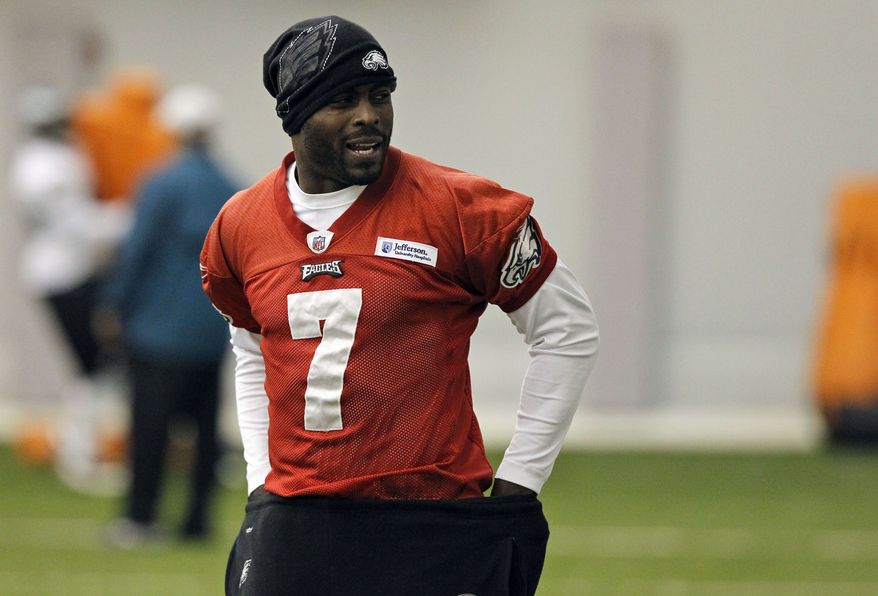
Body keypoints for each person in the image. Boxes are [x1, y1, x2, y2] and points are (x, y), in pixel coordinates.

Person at [201, 16, 599, 596]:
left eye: (379, 95)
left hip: (432, 519)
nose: (369, 115)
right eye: (342, 99)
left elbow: (567, 329)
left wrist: (521, 480)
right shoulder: (239, 224)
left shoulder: (460, 208)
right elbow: (252, 346)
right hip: (297, 520)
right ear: (295, 116)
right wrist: (262, 475)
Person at [98, 84, 240, 546]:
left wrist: (114, 303)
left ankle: (141, 518)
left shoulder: (160, 182)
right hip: (209, 329)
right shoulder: (230, 185)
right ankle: (196, 521)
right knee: (203, 433)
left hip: (158, 329)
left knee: (150, 426)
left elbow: (137, 252)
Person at [9, 84, 130, 493]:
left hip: (62, 268)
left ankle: (83, 447)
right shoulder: (49, 165)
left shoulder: (38, 161)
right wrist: (128, 218)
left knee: (95, 365)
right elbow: (74, 224)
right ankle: (79, 451)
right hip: (65, 271)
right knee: (93, 363)